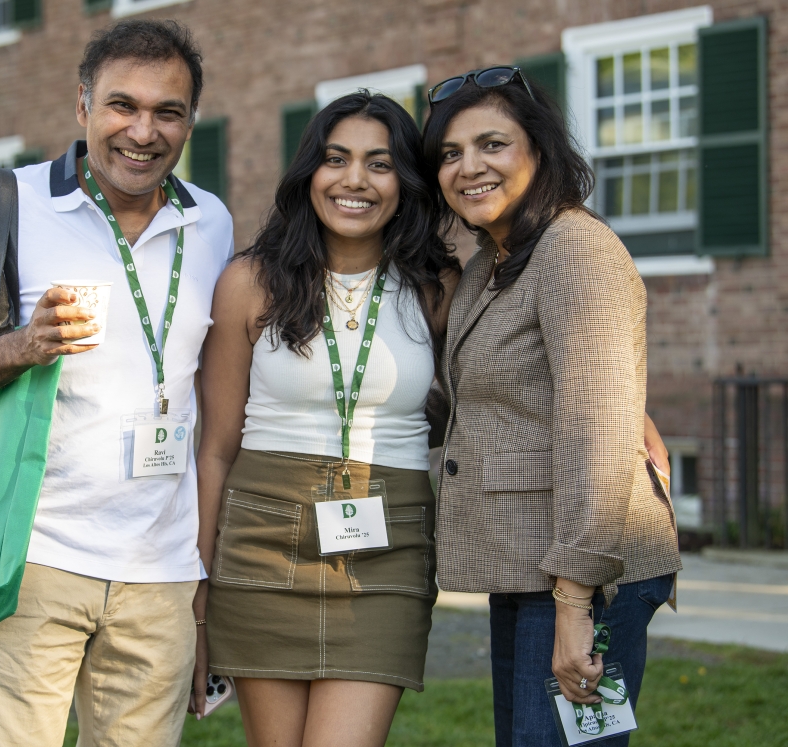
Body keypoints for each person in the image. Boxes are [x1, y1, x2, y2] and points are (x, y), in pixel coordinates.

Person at [0, 20, 233, 747]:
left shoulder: (209, 221)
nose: (143, 131)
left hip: (161, 569)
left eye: (168, 111)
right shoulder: (7, 204)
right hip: (39, 556)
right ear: (83, 104)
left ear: (190, 120)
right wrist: (25, 345)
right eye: (123, 105)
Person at [422, 67, 683, 746]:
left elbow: (596, 435)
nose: (469, 167)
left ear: (538, 149)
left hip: (589, 571)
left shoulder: (576, 250)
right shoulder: (494, 260)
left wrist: (575, 601)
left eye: (491, 145)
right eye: (450, 153)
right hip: (533, 559)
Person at [193, 91, 461, 747]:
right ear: (309, 172)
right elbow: (216, 448)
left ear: (405, 181)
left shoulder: (438, 286)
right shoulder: (250, 283)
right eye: (336, 159)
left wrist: (633, 414)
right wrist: (196, 587)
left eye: (379, 163)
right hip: (259, 544)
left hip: (386, 549)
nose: (354, 180)